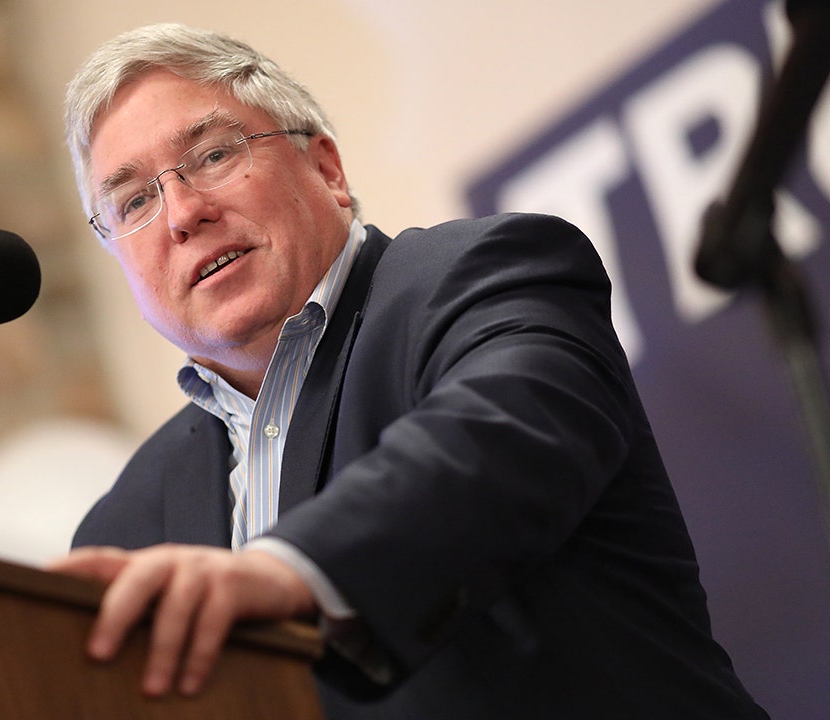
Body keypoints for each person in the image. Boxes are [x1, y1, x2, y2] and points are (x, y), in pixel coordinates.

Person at [47, 23, 768, 719]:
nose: (182, 214)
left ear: (326, 169)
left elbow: (498, 440)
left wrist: (287, 572)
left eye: (212, 156)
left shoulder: (487, 275)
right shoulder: (126, 524)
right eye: (134, 200)